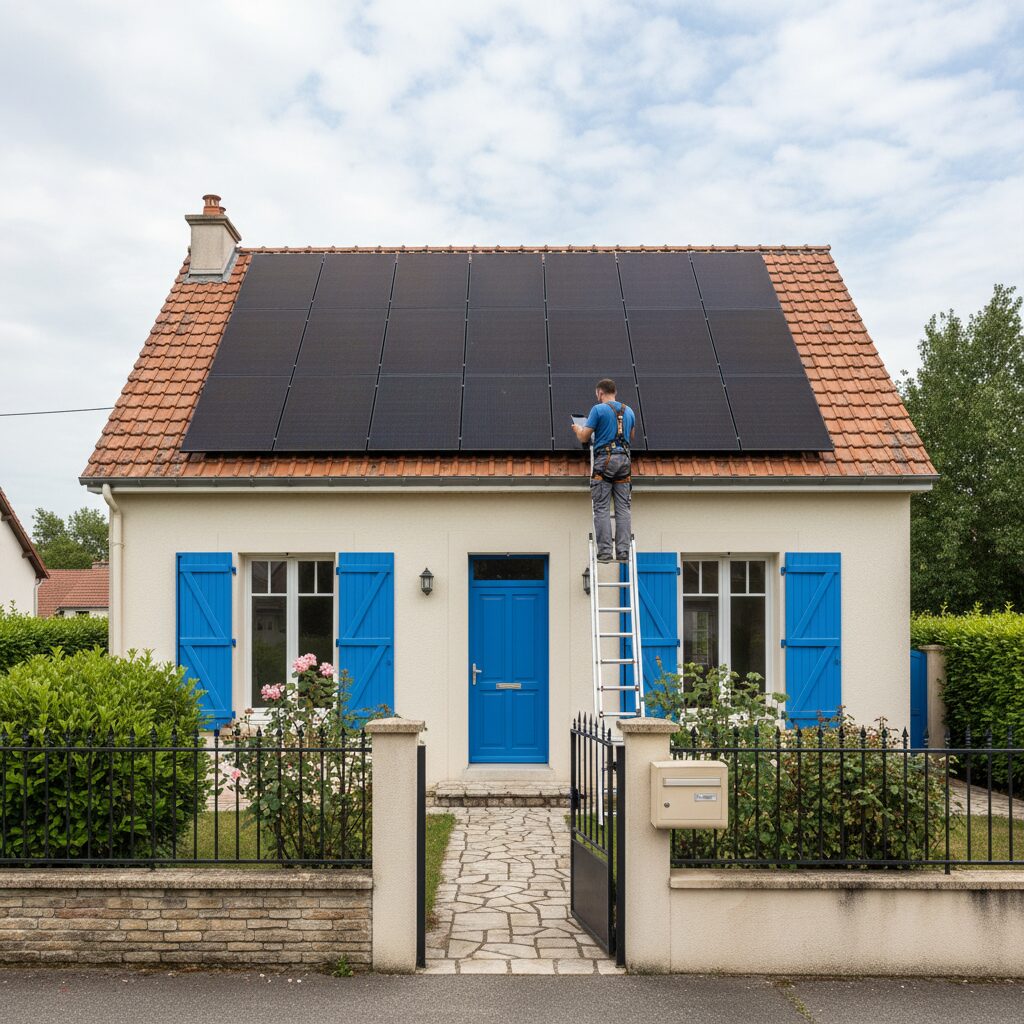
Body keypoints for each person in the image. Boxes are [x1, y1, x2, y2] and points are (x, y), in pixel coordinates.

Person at [571, 378, 635, 562]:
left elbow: (584, 438)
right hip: (625, 461)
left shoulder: (598, 410)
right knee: (623, 508)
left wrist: (577, 429)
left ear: (600, 392)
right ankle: (623, 551)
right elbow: (631, 435)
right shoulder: (629, 411)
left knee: (601, 508)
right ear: (615, 392)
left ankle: (605, 552)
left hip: (605, 460)